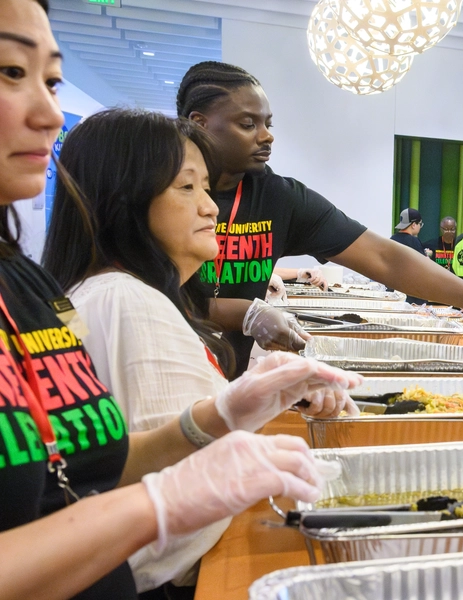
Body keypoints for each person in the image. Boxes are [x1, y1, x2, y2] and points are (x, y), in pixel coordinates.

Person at [0, 4, 344, 597]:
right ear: (128, 202)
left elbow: (85, 466)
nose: (49, 113)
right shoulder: (122, 299)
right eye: (11, 72)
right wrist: (161, 503)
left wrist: (220, 415)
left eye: (52, 81)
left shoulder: (23, 283)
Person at [41, 108, 362, 593]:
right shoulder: (128, 301)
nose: (210, 207)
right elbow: (176, 502)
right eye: (186, 187)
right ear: (125, 201)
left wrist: (265, 401)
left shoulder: (125, 293)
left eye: (206, 188)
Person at [176, 61, 463, 374]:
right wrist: (245, 313)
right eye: (247, 124)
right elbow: (155, 298)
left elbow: (384, 257)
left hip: (223, 379)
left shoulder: (278, 197)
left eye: (267, 123)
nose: (267, 135)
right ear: (200, 124)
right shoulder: (161, 194)